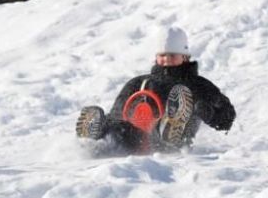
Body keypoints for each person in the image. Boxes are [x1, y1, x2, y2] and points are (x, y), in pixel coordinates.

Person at [75, 26, 236, 154]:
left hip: (172, 144)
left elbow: (227, 117)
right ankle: (97, 135)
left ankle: (170, 126)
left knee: (164, 127)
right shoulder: (140, 82)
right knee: (118, 128)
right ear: (156, 57)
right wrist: (109, 124)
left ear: (185, 57)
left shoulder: (199, 85)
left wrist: (208, 112)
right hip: (135, 139)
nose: (166, 59)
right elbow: (118, 112)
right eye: (162, 55)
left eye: (172, 55)